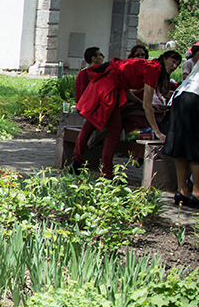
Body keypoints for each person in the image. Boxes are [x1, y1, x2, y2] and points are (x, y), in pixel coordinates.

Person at [71, 50, 182, 178]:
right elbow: (147, 104)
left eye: (178, 65)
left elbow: (127, 88)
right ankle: (106, 173)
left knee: (90, 125)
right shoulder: (154, 68)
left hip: (104, 86)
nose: (174, 66)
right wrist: (157, 132)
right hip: (107, 88)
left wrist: (142, 104)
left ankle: (77, 161)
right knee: (114, 131)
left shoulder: (149, 65)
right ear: (165, 58)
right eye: (173, 62)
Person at [162, 61, 199, 206]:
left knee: (182, 146)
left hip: (181, 96)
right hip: (196, 98)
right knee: (196, 148)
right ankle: (197, 193)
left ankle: (182, 190)